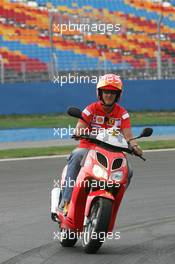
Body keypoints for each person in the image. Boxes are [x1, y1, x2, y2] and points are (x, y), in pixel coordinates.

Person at [59, 74, 143, 214]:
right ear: (100, 93)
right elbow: (80, 126)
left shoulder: (123, 114)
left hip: (113, 152)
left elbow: (129, 137)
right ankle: (66, 201)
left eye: (112, 92)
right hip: (88, 149)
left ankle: (112, 204)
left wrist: (135, 147)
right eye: (106, 91)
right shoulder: (90, 109)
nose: (109, 95)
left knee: (129, 170)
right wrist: (78, 132)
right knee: (76, 155)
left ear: (118, 95)